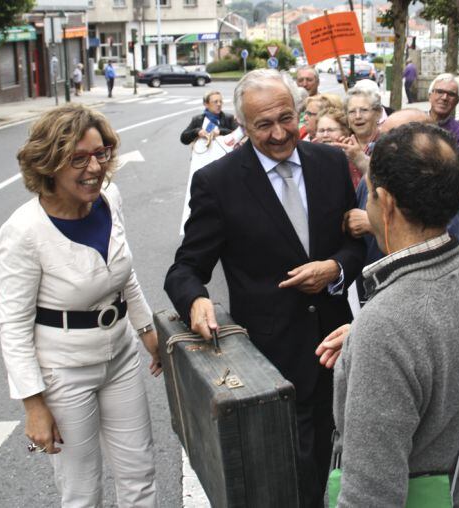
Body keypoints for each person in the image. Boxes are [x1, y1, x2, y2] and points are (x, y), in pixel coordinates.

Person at [164, 69, 366, 508]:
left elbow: (355, 244)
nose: (279, 134)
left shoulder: (330, 164)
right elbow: (185, 268)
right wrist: (196, 298)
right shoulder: (219, 182)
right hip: (273, 363)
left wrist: (334, 268)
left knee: (344, 472)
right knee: (289, 484)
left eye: (286, 118)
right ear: (243, 124)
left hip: (339, 348)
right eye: (263, 125)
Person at [324, 122, 459, 507]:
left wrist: (375, 341)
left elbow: (370, 496)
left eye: (369, 196)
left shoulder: (386, 324)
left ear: (385, 202)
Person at [0, 104, 161, 506]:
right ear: (49, 163)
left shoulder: (109, 198)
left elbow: (125, 275)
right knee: (82, 492)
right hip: (64, 373)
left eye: (100, 153)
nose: (94, 168)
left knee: (140, 475)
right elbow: (14, 326)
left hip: (120, 357)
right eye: (78, 159)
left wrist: (148, 332)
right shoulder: (23, 232)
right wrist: (34, 406)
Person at [341, 108, 459, 305]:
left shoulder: (444, 189)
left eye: (396, 140)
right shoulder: (371, 180)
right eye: (381, 139)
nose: (380, 148)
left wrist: (374, 224)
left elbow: (441, 252)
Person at [428, 73, 459, 164]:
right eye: (440, 91)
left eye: (451, 94)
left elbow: (458, 169)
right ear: (430, 96)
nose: (444, 98)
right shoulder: (414, 122)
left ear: (457, 101)